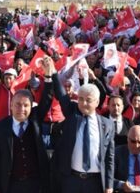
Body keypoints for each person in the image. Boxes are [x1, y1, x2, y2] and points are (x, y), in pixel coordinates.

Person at [49, 61, 116, 193]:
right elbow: (62, 96)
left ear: (97, 102)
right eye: (80, 99)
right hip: (71, 180)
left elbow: (109, 157)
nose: (83, 103)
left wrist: (109, 185)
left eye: (88, 100)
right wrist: (53, 73)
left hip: (95, 182)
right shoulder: (72, 116)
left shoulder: (107, 125)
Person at [0, 69, 53, 193]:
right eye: (17, 105)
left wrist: (48, 76)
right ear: (11, 105)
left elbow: (47, 98)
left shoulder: (35, 120)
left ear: (31, 106)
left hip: (36, 185)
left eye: (26, 105)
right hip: (10, 185)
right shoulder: (0, 127)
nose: (21, 109)